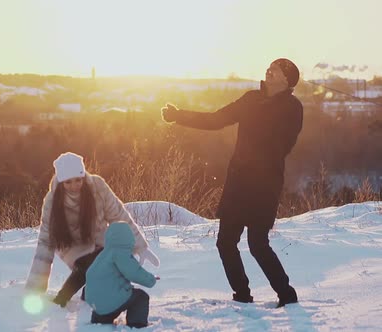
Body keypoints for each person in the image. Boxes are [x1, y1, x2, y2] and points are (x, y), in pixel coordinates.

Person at [161, 58, 303, 308]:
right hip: (238, 182)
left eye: (276, 69)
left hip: (264, 184)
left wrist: (256, 156)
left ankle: (287, 295)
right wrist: (178, 116)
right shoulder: (250, 99)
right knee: (225, 241)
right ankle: (242, 296)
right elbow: (217, 119)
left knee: (257, 244)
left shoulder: (292, 107)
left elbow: (284, 145)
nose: (269, 70)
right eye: (268, 67)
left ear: (287, 79)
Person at [25, 152, 160, 307]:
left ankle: (92, 292)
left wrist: (140, 246)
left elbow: (119, 216)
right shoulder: (52, 200)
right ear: (61, 181)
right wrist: (36, 287)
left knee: (114, 263)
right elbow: (45, 241)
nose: (74, 186)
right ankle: (62, 298)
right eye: (68, 182)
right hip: (71, 246)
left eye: (78, 180)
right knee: (89, 265)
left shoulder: (98, 187)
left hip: (100, 241)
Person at [85, 221, 158, 329]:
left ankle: (100, 319)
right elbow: (133, 273)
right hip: (109, 301)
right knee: (141, 297)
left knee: (112, 298)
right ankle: (137, 324)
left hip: (96, 305)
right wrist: (151, 279)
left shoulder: (104, 254)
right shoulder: (120, 253)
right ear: (128, 237)